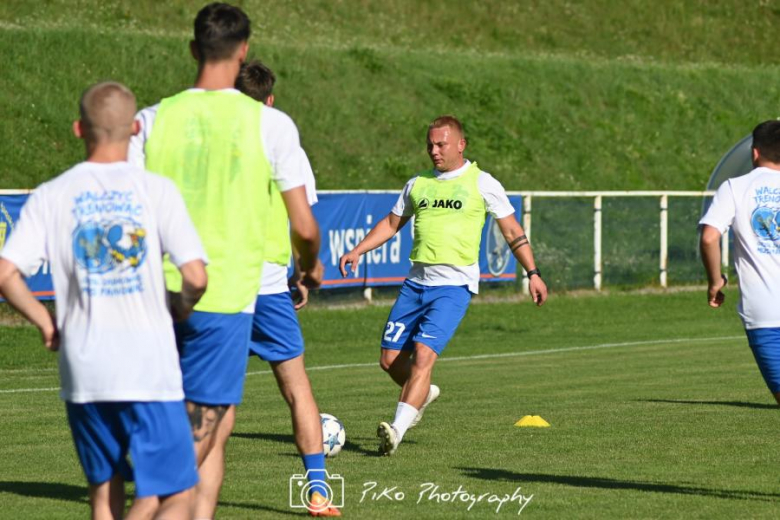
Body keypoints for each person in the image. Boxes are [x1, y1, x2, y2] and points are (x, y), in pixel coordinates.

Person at [128, 4, 323, 518]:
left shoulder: (151, 119)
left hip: (156, 295)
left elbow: (125, 208)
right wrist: (310, 267)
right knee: (202, 428)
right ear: (242, 52)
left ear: (193, 49)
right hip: (225, 295)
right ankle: (145, 506)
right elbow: (304, 225)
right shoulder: (271, 125)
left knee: (215, 426)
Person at [0, 81, 207, 520]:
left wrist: (46, 322)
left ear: (79, 129)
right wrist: (181, 307)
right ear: (135, 128)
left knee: (104, 497)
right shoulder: (156, 190)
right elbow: (195, 276)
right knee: (178, 495)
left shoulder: (51, 194)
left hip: (86, 367)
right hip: (148, 365)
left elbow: (5, 273)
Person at [339, 115, 548, 455]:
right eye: (430, 145)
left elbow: (512, 232)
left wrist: (533, 273)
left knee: (423, 355)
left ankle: (396, 430)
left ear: (461, 144)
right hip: (415, 284)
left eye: (441, 144)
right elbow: (392, 223)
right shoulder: (418, 183)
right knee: (390, 360)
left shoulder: (482, 183)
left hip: (453, 287)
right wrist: (358, 250)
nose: (434, 151)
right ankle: (422, 393)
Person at [236, 60, 340, 517]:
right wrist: (305, 272)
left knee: (202, 395)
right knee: (297, 389)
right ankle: (318, 493)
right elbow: (303, 221)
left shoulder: (212, 137)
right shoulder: (283, 140)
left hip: (217, 286)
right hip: (269, 285)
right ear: (271, 99)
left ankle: (175, 485)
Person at [700, 119, 780, 406]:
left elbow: (710, 238)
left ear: (755, 152)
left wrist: (715, 282)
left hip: (766, 313)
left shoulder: (736, 187)